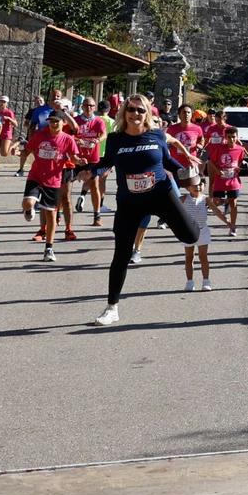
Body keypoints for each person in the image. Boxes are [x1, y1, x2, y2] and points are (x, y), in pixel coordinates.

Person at [88, 96, 200, 325]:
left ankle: (186, 218)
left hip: (161, 195)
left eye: (140, 110)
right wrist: (91, 171)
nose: (135, 114)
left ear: (146, 113)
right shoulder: (115, 139)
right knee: (121, 254)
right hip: (129, 202)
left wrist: (191, 179)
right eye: (131, 110)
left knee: (191, 236)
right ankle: (112, 308)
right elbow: (106, 162)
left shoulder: (157, 135)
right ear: (124, 112)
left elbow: (168, 162)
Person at [22, 112, 79, 261]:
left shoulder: (67, 139)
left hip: (53, 180)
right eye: (51, 121)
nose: (53, 124)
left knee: (51, 214)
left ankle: (49, 248)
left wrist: (80, 161)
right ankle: (29, 210)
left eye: (56, 121)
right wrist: (19, 152)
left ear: (63, 123)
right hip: (36, 176)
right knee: (27, 203)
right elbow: (27, 150)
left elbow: (74, 158)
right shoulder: (40, 135)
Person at [73, 98, 110, 227]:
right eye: (86, 105)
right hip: (76, 157)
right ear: (82, 106)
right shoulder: (76, 120)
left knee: (94, 185)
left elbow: (104, 134)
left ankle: (97, 216)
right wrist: (77, 140)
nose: (89, 108)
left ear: (95, 108)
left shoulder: (98, 121)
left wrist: (97, 140)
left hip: (93, 158)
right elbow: (69, 135)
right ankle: (59, 215)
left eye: (92, 106)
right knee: (65, 187)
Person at [205, 122, 246, 236]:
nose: (231, 139)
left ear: (237, 137)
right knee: (216, 202)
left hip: (233, 181)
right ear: (225, 137)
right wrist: (218, 171)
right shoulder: (219, 149)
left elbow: (241, 162)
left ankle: (233, 226)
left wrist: (238, 168)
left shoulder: (240, 149)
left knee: (234, 203)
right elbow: (211, 161)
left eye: (233, 137)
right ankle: (225, 201)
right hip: (220, 180)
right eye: (229, 137)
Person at [179, 168, 214, 292]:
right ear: (188, 187)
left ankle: (206, 281)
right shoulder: (183, 199)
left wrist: (228, 223)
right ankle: (189, 282)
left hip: (202, 231)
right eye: (194, 185)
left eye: (200, 184)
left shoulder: (206, 199)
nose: (198, 187)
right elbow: (173, 210)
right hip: (188, 231)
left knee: (203, 257)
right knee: (189, 257)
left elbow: (217, 211)